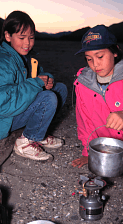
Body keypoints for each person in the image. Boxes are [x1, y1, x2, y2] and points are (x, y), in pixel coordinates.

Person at [72, 25, 123, 173]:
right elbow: (85, 121)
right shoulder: (83, 85)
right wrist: (89, 153)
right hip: (113, 144)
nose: (95, 64)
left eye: (100, 56)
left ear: (115, 52)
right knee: (108, 169)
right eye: (89, 59)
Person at [0, 10, 67, 161]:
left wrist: (47, 80)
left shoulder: (24, 58)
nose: (27, 43)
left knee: (60, 89)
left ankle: (38, 134)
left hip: (17, 108)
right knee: (48, 98)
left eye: (31, 38)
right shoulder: (3, 62)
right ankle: (25, 142)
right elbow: (2, 103)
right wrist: (37, 83)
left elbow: (39, 75)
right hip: (4, 119)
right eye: (22, 37)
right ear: (8, 36)